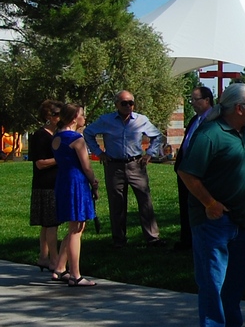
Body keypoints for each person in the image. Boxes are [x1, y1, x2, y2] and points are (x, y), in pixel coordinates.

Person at [176, 83, 245, 327]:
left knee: (234, 280)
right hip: (213, 220)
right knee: (213, 280)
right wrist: (210, 204)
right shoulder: (210, 134)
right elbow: (187, 174)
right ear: (239, 108)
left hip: (239, 219)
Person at [83, 90, 166, 249]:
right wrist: (99, 153)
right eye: (124, 103)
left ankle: (153, 238)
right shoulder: (106, 120)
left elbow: (157, 136)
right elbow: (88, 133)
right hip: (114, 166)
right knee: (117, 203)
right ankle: (119, 240)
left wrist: (149, 154)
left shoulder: (141, 120)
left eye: (131, 103)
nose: (128, 106)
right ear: (116, 105)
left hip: (136, 164)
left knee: (145, 201)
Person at [50, 104, 99, 287]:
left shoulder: (56, 137)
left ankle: (60, 268)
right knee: (77, 228)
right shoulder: (76, 139)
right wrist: (94, 182)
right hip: (76, 182)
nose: (84, 118)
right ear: (73, 119)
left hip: (62, 180)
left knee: (73, 227)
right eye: (81, 115)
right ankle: (75, 274)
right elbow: (86, 166)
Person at [174, 86, 214, 251]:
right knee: (185, 206)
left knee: (200, 207)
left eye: (195, 100)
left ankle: (199, 242)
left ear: (207, 100)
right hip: (185, 171)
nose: (192, 103)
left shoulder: (212, 121)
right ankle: (186, 240)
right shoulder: (194, 120)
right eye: (191, 100)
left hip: (201, 173)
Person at [29, 100, 64, 271]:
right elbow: (40, 163)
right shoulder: (41, 136)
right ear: (48, 116)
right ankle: (54, 260)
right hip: (46, 185)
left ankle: (43, 257)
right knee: (51, 224)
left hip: (53, 183)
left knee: (46, 224)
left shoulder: (56, 134)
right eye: (57, 114)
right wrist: (61, 159)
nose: (60, 117)